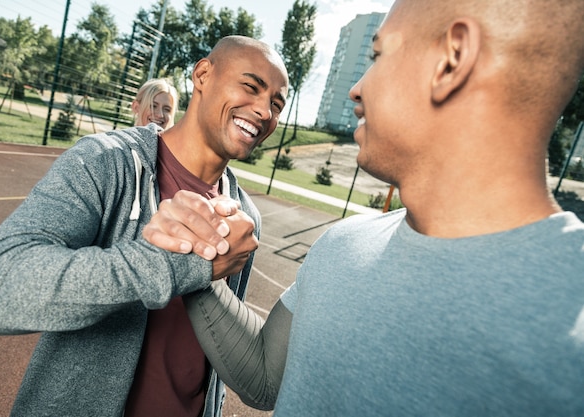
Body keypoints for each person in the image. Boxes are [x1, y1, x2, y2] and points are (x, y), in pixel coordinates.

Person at [142, 0, 584, 415]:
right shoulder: (343, 243)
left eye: (378, 55)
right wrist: (195, 253)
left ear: (452, 59)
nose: (356, 90)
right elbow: (262, 379)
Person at [0, 35, 288, 417]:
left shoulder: (246, 218)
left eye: (277, 104)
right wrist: (181, 265)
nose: (265, 111)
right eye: (251, 87)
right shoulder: (105, 163)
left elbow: (214, 352)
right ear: (202, 74)